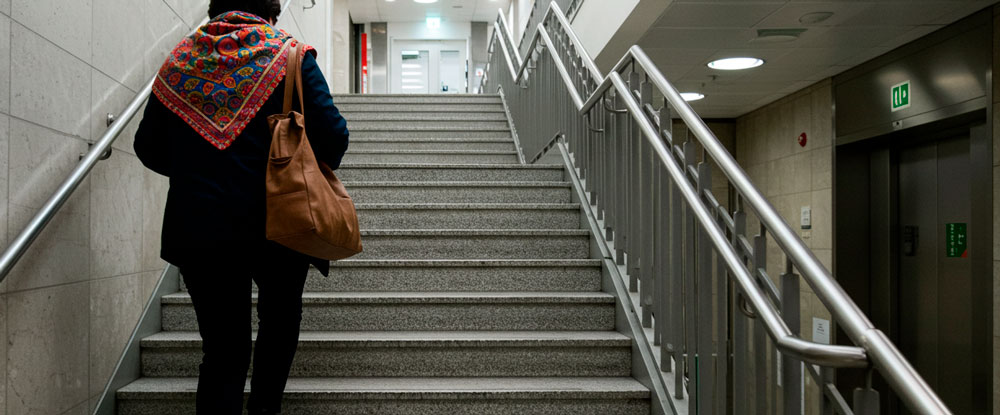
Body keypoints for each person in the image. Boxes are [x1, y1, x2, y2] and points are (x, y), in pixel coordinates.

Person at [133, 0, 349, 413]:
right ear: (271, 14)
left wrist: (199, 171)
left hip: (199, 226)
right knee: (279, 327)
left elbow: (147, 146)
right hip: (282, 221)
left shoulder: (179, 62)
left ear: (215, 13)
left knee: (222, 349)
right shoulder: (290, 57)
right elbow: (334, 137)